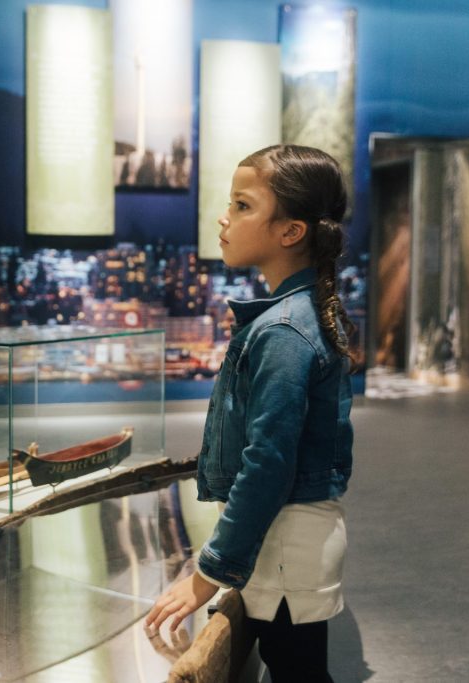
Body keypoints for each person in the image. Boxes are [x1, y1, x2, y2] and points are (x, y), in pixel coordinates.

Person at [145, 145, 355, 682]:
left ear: (291, 231)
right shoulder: (295, 315)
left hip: (285, 546)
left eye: (242, 205)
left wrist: (207, 573)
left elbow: (268, 464)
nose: (224, 217)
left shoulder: (283, 331)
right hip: (287, 542)